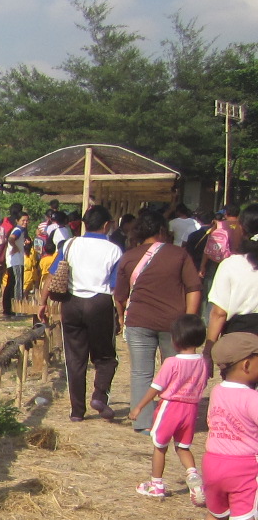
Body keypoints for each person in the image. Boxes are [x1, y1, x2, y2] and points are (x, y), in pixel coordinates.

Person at [113, 211, 203, 436]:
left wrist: (122, 317)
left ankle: (142, 422)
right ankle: (173, 419)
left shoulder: (129, 257)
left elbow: (120, 295)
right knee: (175, 372)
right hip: (173, 323)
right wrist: (188, 320)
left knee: (141, 373)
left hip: (139, 320)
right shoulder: (179, 254)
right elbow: (194, 288)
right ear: (162, 231)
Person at [191, 332, 258, 520]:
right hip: (243, 466)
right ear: (246, 365)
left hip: (213, 461)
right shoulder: (252, 399)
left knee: (216, 513)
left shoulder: (217, 392)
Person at [38, 204, 123, 422]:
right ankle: (99, 395)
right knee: (105, 356)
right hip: (100, 303)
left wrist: (42, 302)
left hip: (71, 304)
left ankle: (77, 411)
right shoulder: (114, 250)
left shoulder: (70, 244)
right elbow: (116, 287)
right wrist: (120, 314)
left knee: (75, 359)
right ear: (106, 225)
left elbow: (53, 275)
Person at [129, 314, 209, 502]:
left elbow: (156, 387)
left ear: (176, 340)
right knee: (183, 447)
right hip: (191, 410)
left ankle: (156, 484)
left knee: (160, 446)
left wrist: (139, 407)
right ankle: (193, 475)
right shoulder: (203, 362)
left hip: (170, 407)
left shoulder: (172, 362)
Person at [204, 205, 258, 350]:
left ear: (242, 229)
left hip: (238, 340)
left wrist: (209, 349)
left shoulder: (230, 265)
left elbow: (219, 313)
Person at [4, 209, 28, 315]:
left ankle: (8, 309)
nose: (25, 222)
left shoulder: (18, 230)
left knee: (11, 284)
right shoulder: (18, 230)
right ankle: (17, 309)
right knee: (17, 284)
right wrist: (15, 247)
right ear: (17, 220)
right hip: (16, 262)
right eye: (23, 220)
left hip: (13, 261)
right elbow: (11, 239)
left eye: (27, 221)